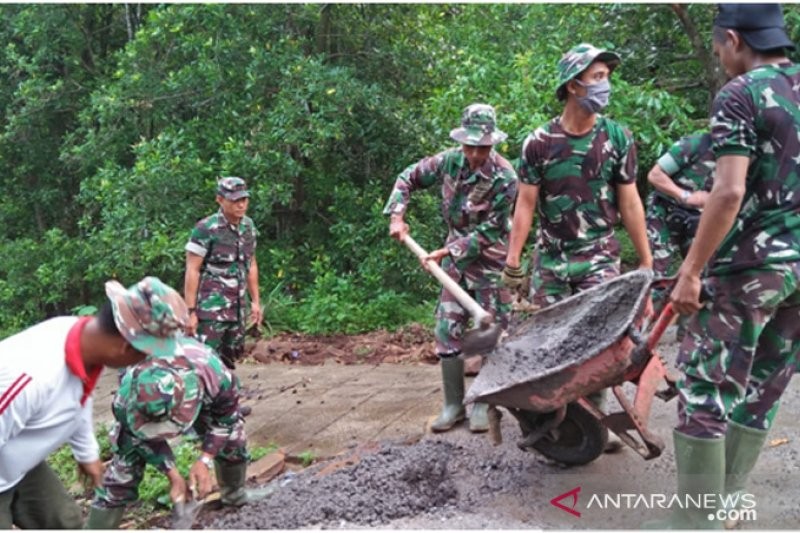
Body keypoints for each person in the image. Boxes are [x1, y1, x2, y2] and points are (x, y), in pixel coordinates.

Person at [651, 4, 799, 529]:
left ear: (733, 39)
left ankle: (694, 521)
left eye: (718, 49)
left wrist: (691, 271)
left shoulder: (741, 94)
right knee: (765, 384)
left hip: (749, 271)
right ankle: (729, 500)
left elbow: (729, 189)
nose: (719, 59)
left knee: (706, 390)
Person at [502, 44, 652, 451]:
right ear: (573, 85)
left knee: (599, 341)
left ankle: (593, 423)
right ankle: (553, 418)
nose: (607, 86)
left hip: (599, 255)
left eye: (607, 77)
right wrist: (513, 260)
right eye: (599, 78)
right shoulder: (538, 142)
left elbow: (630, 201)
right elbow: (526, 204)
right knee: (546, 343)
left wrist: (645, 260)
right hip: (551, 258)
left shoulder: (617, 137)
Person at [0, 276, 188, 529]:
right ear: (125, 348)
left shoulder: (80, 340)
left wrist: (87, 454)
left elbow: (77, 399)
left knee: (64, 521)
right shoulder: (31, 377)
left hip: (16, 464)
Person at [384, 103, 517, 433]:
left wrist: (448, 250)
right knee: (447, 328)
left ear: (493, 144)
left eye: (482, 147)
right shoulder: (447, 161)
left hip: (490, 259)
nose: (475, 154)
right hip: (455, 260)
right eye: (470, 146)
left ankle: (485, 403)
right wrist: (397, 216)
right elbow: (407, 178)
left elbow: (494, 229)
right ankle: (454, 405)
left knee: (490, 332)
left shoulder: (505, 177)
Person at [85, 335, 266, 529]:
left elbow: (226, 419)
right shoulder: (126, 399)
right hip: (143, 407)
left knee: (233, 438)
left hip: (202, 392)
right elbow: (138, 437)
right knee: (123, 471)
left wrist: (204, 460)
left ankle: (234, 495)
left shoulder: (212, 372)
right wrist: (173, 475)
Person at [184, 176, 262, 370]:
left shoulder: (248, 227)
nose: (241, 205)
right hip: (211, 309)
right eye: (235, 200)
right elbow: (192, 270)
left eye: (244, 199)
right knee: (205, 360)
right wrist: (191, 312)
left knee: (230, 359)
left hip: (237, 307)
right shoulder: (206, 229)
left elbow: (251, 263)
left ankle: (225, 397)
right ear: (220, 200)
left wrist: (255, 302)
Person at [646, 132, 716, 340]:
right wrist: (685, 196)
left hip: (701, 221)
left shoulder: (743, 152)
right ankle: (641, 333)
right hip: (665, 213)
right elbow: (655, 175)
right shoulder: (697, 143)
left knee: (700, 276)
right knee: (655, 277)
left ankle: (688, 336)